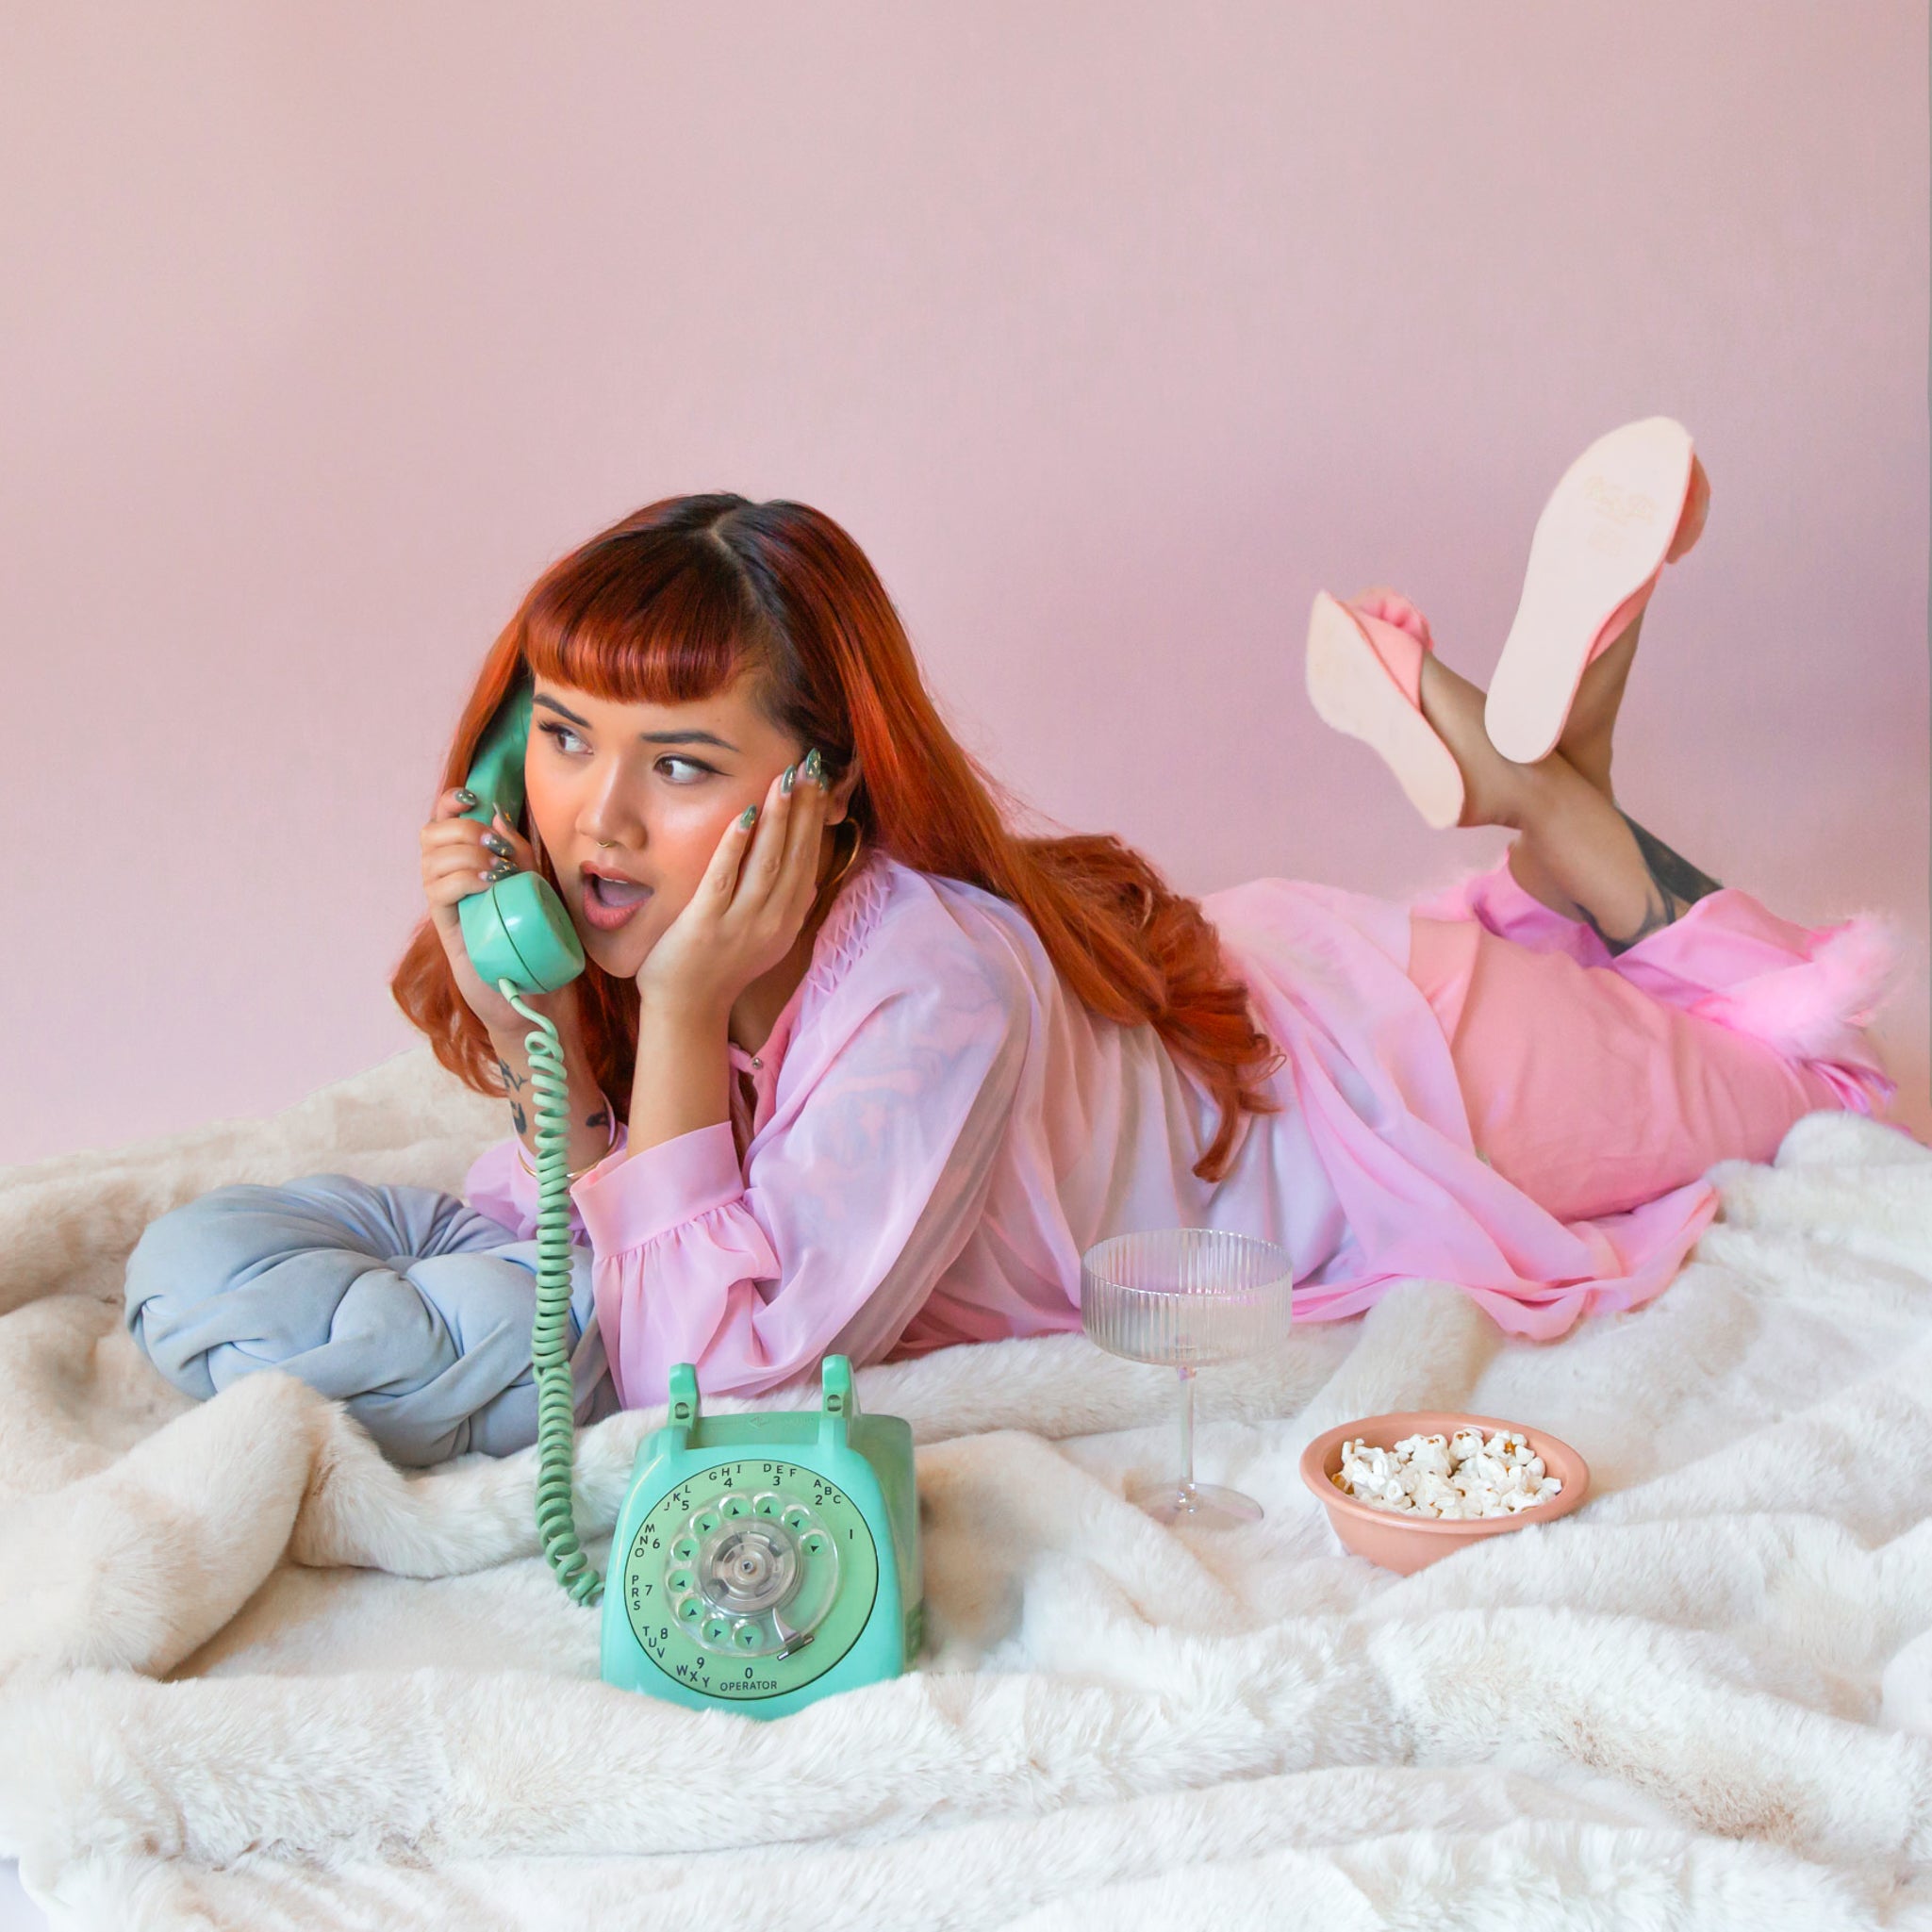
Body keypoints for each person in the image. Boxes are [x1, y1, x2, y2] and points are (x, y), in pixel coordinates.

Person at [124, 420, 1902, 1461]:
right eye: (566, 734)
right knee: (1697, 1005)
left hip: (1401, 1075)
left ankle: (1556, 808)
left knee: (1833, 1096)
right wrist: (555, 1018)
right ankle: (1544, 779)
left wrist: (662, 1017)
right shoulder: (650, 930)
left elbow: (713, 1376)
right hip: (1266, 992)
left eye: (679, 764)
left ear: (821, 788)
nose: (591, 817)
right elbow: (622, 1227)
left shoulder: (925, 980)